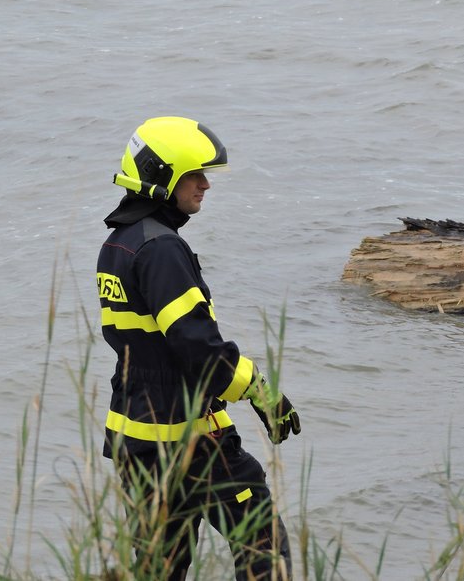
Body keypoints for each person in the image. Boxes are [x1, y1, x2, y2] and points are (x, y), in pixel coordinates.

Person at [96, 116, 301, 580]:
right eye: (194, 174)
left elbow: (152, 347)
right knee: (265, 550)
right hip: (189, 439)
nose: (206, 185)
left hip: (138, 440)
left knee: (158, 568)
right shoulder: (162, 249)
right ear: (162, 175)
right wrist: (260, 389)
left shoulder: (120, 244)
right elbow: (199, 349)